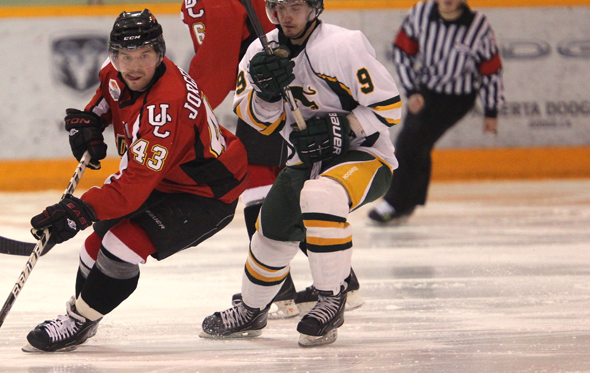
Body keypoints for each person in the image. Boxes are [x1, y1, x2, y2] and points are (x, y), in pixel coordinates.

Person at [24, 9, 248, 352]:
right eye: (125, 56)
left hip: (208, 190)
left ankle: (79, 320)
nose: (134, 66)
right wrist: (90, 121)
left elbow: (132, 187)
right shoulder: (115, 72)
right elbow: (107, 98)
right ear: (113, 55)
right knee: (93, 247)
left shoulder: (166, 107)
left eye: (144, 55)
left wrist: (78, 210)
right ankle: (84, 315)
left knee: (121, 246)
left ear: (160, 54)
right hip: (168, 177)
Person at [200, 0, 401, 347]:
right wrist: (266, 94)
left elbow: (389, 106)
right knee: (271, 227)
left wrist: (343, 126)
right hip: (305, 161)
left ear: (315, 8)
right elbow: (262, 123)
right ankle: (252, 309)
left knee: (320, 195)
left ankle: (331, 299)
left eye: (295, 6)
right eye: (278, 7)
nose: (285, 16)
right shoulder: (256, 54)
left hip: (366, 155)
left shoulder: (343, 44)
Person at [181, 0, 361, 319]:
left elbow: (218, 63)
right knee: (286, 190)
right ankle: (339, 281)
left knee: (261, 181)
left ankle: (289, 289)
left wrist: (186, 107)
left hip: (273, 89)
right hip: (273, 84)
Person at [368, 0, 504, 225]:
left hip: (458, 97)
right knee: (416, 142)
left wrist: (492, 110)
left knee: (411, 141)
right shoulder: (420, 12)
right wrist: (411, 90)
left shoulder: (477, 25)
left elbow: (491, 70)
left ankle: (395, 202)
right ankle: (407, 202)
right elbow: (403, 51)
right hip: (425, 90)